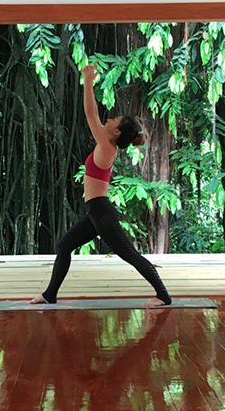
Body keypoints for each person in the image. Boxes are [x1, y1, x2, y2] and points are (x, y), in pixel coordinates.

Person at [29, 62, 172, 308]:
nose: (109, 118)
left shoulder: (107, 147)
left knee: (130, 255)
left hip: (102, 214)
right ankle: (50, 294)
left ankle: (163, 296)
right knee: (64, 246)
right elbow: (94, 115)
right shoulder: (106, 146)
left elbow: (90, 114)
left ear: (116, 133)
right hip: (96, 213)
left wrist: (87, 82)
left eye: (115, 119)